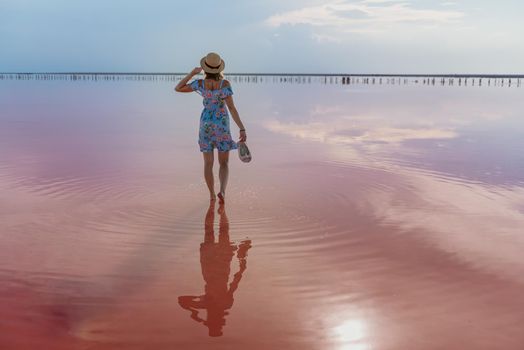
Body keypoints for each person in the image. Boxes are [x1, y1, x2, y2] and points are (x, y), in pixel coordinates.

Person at [175, 52, 247, 203]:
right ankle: (222, 191)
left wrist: (192, 73)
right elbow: (232, 108)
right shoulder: (224, 84)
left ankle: (211, 195)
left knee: (208, 163)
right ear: (219, 68)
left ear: (205, 68)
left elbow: (178, 88)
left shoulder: (200, 84)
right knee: (224, 163)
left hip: (206, 124)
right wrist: (241, 128)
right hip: (221, 124)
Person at [178, 201, 252, 337]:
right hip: (210, 269)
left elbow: (181, 300)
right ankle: (218, 205)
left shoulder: (217, 304)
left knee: (222, 232)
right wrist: (196, 314)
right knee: (210, 231)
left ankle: (218, 206)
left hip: (220, 268)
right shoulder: (207, 304)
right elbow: (182, 300)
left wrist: (198, 315)